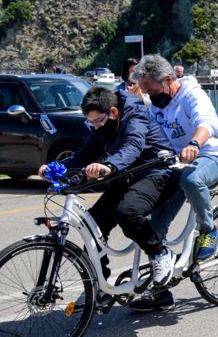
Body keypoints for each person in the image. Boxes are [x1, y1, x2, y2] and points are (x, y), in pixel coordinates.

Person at [38, 86, 177, 309]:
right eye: (90, 122)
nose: (95, 126)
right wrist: (55, 168)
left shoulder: (135, 116)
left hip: (156, 171)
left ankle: (161, 254)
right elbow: (85, 154)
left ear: (113, 111)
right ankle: (99, 286)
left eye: (98, 121)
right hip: (127, 173)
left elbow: (133, 146)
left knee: (128, 213)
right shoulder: (102, 124)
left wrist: (109, 165)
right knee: (94, 223)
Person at [134, 55, 218, 276]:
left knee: (191, 179)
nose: (151, 97)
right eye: (146, 93)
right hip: (177, 162)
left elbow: (205, 124)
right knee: (154, 225)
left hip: (211, 155)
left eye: (152, 91)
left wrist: (195, 144)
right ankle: (161, 288)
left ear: (168, 79)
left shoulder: (192, 95)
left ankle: (209, 230)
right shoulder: (156, 105)